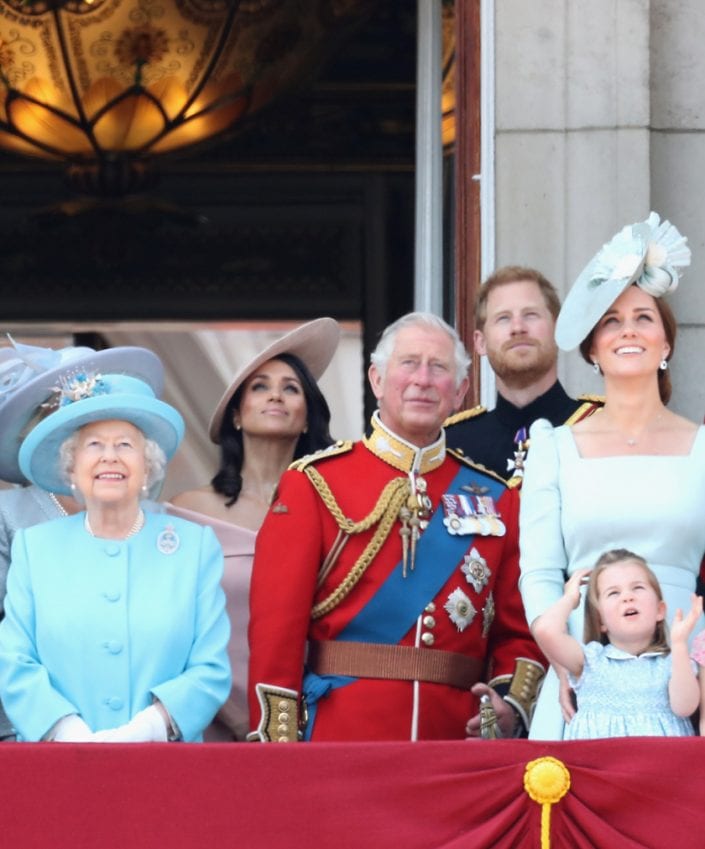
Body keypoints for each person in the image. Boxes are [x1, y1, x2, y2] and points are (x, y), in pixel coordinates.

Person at [247, 311, 545, 742]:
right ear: (377, 380)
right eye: (408, 363)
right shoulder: (314, 483)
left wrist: (508, 704)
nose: (422, 380)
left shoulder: (499, 498)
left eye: (439, 367)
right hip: (340, 739)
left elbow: (520, 630)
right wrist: (279, 743)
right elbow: (277, 629)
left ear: (460, 390)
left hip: (455, 744)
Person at [520, 211, 705, 739]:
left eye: (644, 317)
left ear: (666, 344)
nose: (628, 329)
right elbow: (538, 572)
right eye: (612, 320)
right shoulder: (552, 447)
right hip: (583, 673)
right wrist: (561, 657)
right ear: (594, 349)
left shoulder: (703, 448)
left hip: (685, 673)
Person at [0, 365, 231, 742]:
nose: (110, 457)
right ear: (71, 468)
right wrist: (67, 731)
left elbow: (210, 668)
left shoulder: (194, 548)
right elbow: (13, 660)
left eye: (125, 445)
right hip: (56, 765)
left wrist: (148, 728)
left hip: (165, 766)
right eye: (94, 445)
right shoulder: (34, 548)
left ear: (148, 469)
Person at [169, 318, 339, 740]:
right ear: (237, 416)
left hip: (313, 718)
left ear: (306, 419)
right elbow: (169, 626)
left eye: (291, 387)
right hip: (208, 717)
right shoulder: (186, 512)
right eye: (260, 386)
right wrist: (231, 713)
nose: (276, 394)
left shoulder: (337, 514)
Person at [0, 338, 166, 741]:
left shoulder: (160, 520)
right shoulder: (8, 513)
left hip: (142, 726)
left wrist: (155, 721)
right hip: (32, 727)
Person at [445, 266, 601, 485]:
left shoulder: (602, 428)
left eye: (530, 315)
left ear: (558, 329)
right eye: (503, 318)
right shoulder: (453, 445)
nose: (518, 328)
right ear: (480, 342)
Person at [533, 549, 701, 739]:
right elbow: (545, 630)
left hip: (660, 766)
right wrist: (570, 598)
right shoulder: (590, 661)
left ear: (659, 611)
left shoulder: (672, 663)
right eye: (614, 593)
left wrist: (679, 645)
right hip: (601, 766)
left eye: (637, 588)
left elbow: (685, 707)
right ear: (600, 621)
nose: (627, 597)